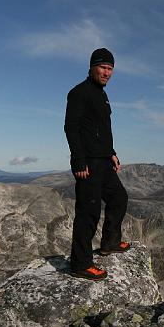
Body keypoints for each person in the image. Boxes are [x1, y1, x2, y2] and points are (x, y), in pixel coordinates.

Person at [64, 47, 131, 280]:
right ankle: (80, 264)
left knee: (119, 198)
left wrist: (111, 152)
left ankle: (109, 243)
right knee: (88, 212)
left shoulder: (102, 94)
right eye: (103, 67)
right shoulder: (79, 93)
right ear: (92, 67)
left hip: (103, 160)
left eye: (110, 69)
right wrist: (78, 160)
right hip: (88, 163)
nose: (107, 73)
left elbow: (101, 129)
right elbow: (71, 127)